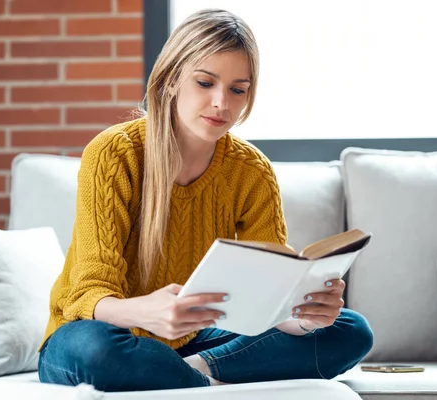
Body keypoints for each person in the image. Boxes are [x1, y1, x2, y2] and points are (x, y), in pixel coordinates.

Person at [37, 8, 373, 392]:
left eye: (237, 89)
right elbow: (88, 294)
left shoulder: (251, 171)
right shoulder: (115, 154)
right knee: (94, 349)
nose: (221, 103)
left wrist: (305, 316)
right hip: (103, 331)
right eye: (205, 82)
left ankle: (183, 372)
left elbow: (266, 302)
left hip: (194, 341)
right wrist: (147, 311)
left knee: (349, 330)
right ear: (170, 81)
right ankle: (200, 381)